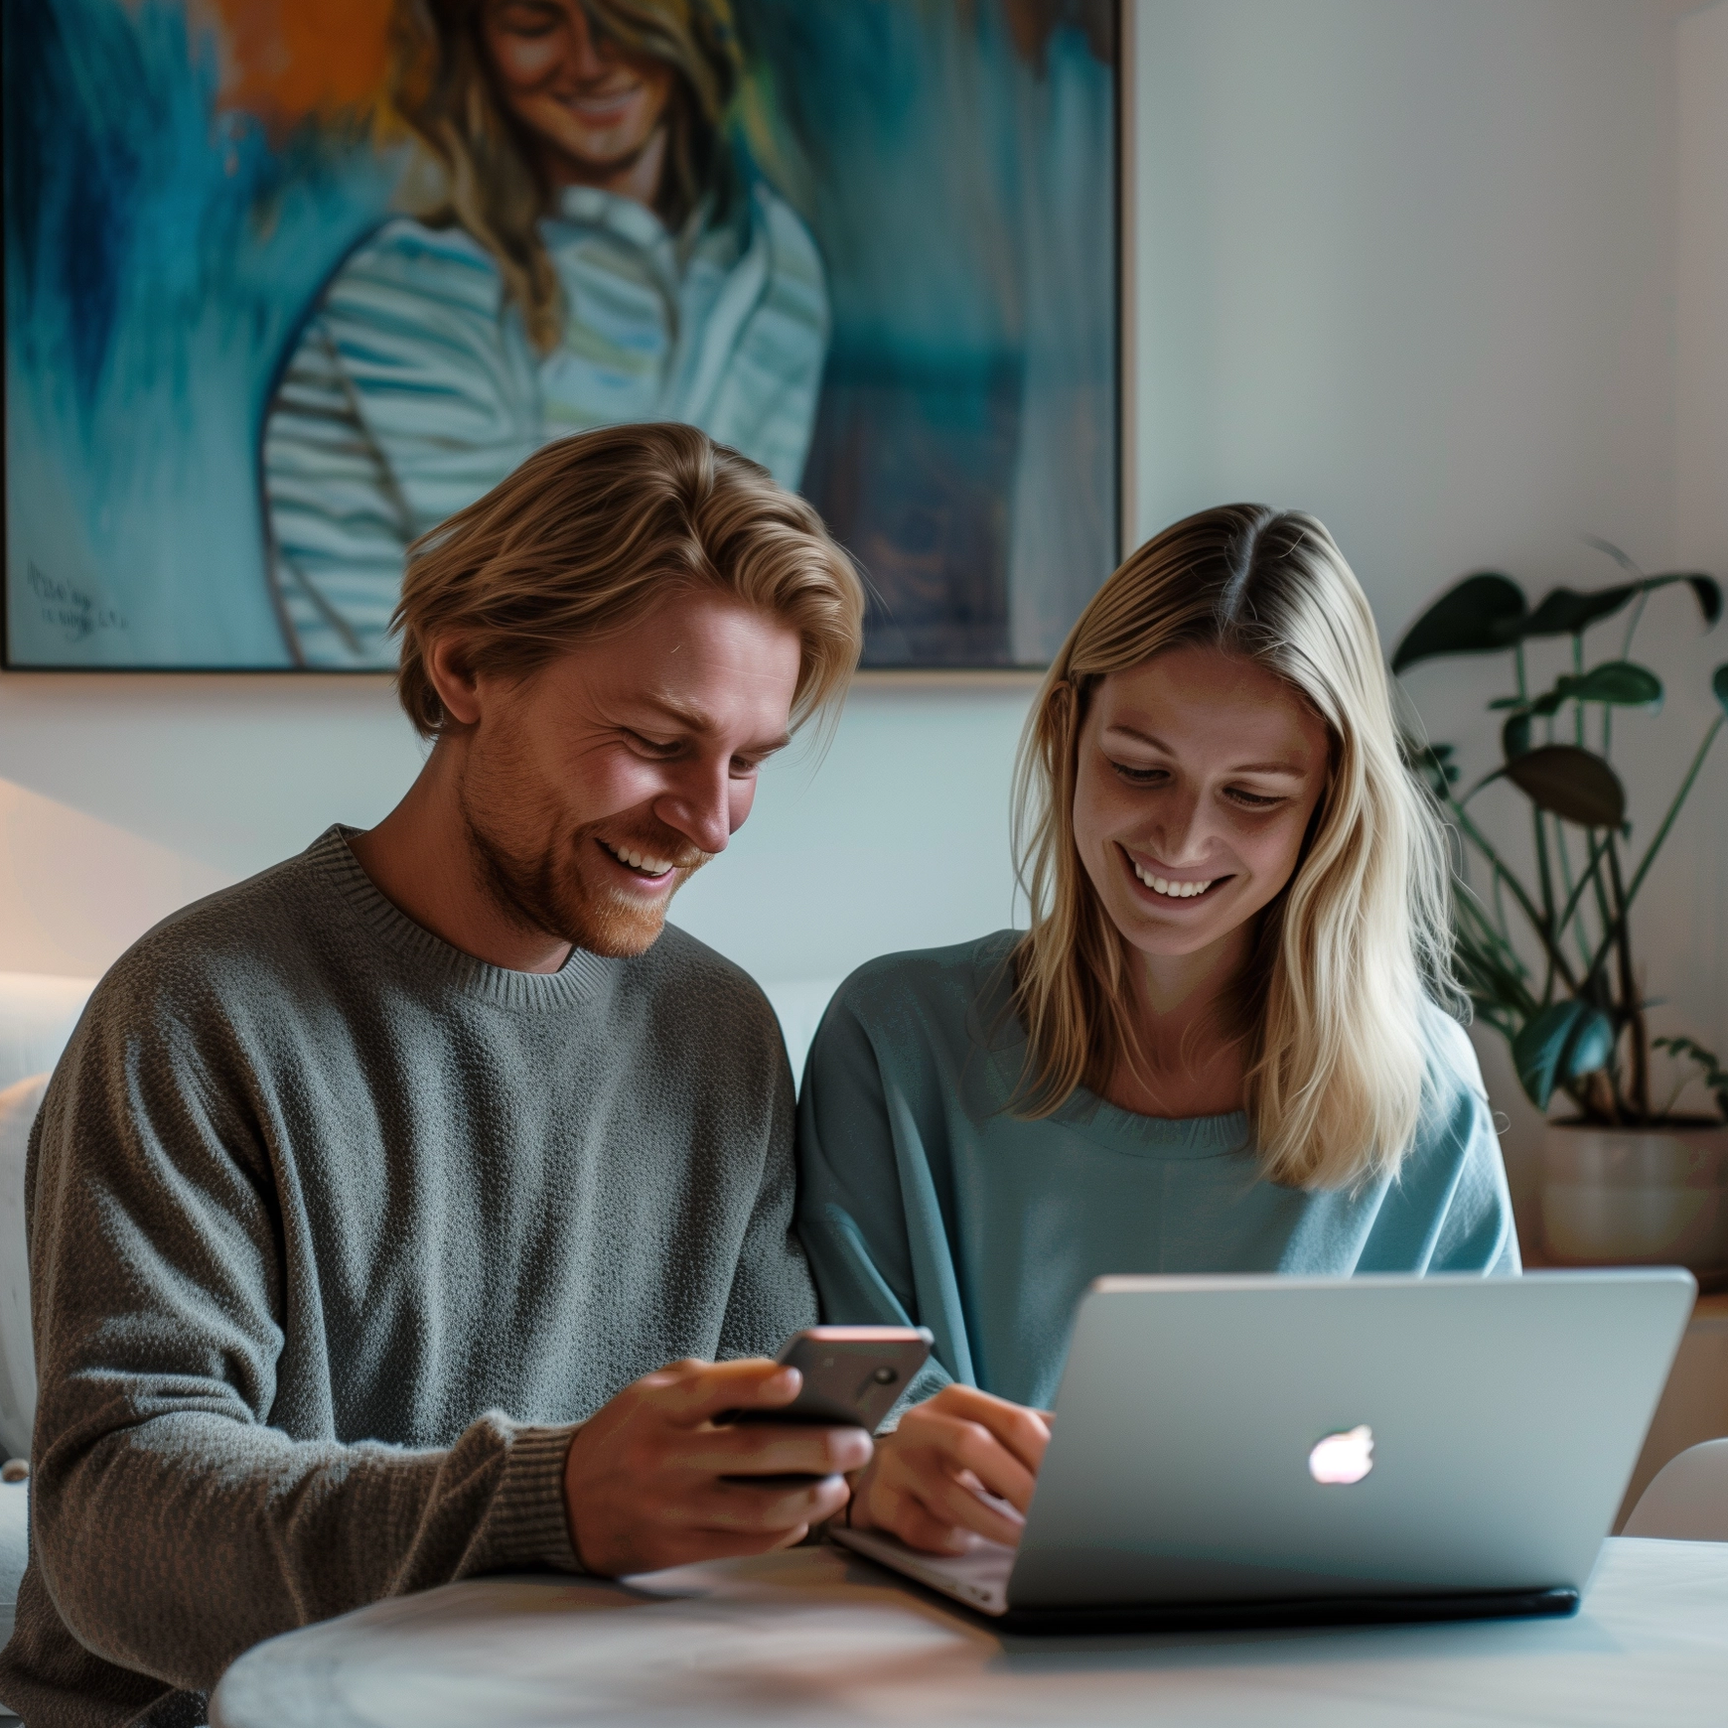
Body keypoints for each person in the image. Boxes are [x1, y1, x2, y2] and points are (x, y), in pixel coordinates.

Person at [1, 423, 867, 1727]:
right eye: (655, 740)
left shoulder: (721, 1033)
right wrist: (553, 1501)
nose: (710, 821)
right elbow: (117, 1521)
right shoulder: (196, 1011)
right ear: (467, 668)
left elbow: (753, 1485)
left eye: (748, 763)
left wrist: (872, 1485)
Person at [796, 504, 1519, 1557]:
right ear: (1066, 736)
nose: (1184, 838)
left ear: (1328, 810)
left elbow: (1479, 1460)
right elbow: (848, 1424)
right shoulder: (894, 1042)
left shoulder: (1423, 1090)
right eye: (1140, 770)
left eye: (1255, 797)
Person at [262, 0, 828, 669]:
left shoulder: (777, 269)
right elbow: (508, 642)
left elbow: (744, 590)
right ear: (473, 41)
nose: (587, 62)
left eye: (623, 13)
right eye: (533, 22)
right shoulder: (410, 290)